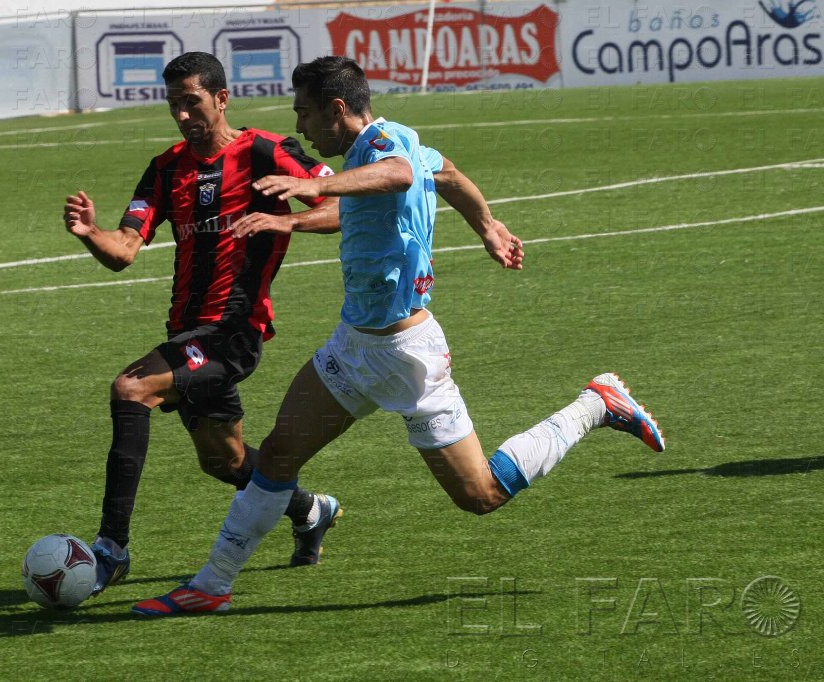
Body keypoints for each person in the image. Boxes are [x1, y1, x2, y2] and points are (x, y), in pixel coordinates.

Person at [130, 56, 665, 617]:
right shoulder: (382, 148)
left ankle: (594, 405)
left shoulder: (387, 145)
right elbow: (447, 173)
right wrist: (488, 226)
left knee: (480, 495)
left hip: (409, 357)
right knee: (278, 457)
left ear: (338, 109)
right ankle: (212, 584)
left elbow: (401, 174)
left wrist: (310, 187)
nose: (302, 128)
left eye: (306, 114)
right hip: (353, 347)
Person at [62, 52, 346, 595]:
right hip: (187, 334)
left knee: (131, 389)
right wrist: (90, 234)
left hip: (233, 333)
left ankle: (111, 549)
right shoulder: (166, 168)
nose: (182, 115)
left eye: (191, 102)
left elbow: (342, 205)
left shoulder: (267, 151)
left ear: (221, 98)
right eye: (174, 104)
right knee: (225, 460)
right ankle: (312, 510)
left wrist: (286, 221)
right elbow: (124, 250)